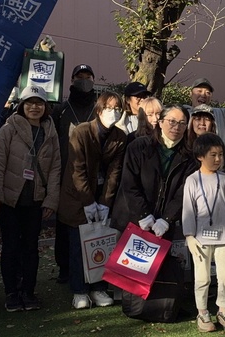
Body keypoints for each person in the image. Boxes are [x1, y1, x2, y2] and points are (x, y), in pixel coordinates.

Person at [0, 85, 61, 312]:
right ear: (21, 106)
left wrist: (51, 200)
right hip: (10, 199)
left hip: (36, 201)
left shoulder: (50, 131)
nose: (34, 107)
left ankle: (28, 291)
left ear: (45, 107)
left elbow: (56, 168)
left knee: (30, 247)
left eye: (39, 103)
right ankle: (11, 293)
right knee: (10, 246)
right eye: (30, 102)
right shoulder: (9, 129)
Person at [57, 90, 127, 309]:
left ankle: (98, 288)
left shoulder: (119, 136)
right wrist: (88, 202)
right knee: (78, 246)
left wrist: (105, 203)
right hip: (77, 197)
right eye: (109, 108)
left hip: (101, 196)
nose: (113, 113)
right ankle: (79, 291)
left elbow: (115, 172)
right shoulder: (81, 131)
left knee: (100, 243)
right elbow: (77, 169)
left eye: (117, 109)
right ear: (99, 109)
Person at [183, 133, 225, 332]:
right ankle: (202, 312)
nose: (218, 159)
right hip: (200, 239)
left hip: (224, 237)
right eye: (213, 155)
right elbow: (188, 209)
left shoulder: (224, 180)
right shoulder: (192, 181)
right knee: (203, 278)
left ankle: (223, 309)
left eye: (220, 155)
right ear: (200, 156)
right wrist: (189, 235)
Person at [113, 105, 198, 244]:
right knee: (127, 265)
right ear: (160, 122)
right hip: (131, 219)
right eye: (172, 121)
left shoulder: (190, 156)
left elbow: (183, 192)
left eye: (182, 123)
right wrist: (143, 215)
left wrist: (167, 219)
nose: (177, 127)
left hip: (162, 226)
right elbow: (129, 184)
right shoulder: (139, 147)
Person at [51, 63, 97, 284]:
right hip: (64, 175)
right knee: (64, 224)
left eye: (88, 76)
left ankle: (92, 266)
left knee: (91, 223)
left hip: (92, 176)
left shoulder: (99, 109)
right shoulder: (60, 109)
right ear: (71, 80)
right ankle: (64, 267)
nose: (84, 80)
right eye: (80, 76)